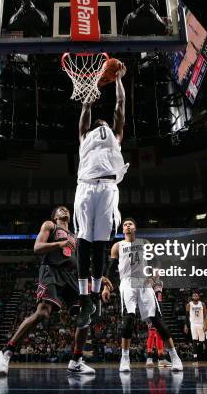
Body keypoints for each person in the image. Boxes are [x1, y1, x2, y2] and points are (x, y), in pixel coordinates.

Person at [0, 206, 109, 374]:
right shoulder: (50, 225)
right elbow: (37, 247)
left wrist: (96, 277)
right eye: (60, 210)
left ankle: (76, 360)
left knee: (86, 312)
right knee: (43, 313)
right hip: (51, 270)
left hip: (70, 276)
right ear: (55, 216)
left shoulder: (76, 236)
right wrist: (59, 243)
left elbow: (78, 264)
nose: (65, 210)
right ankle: (6, 351)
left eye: (67, 209)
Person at [74, 61, 128, 329]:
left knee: (99, 246)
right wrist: (92, 83)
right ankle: (85, 299)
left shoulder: (115, 137)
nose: (102, 123)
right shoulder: (85, 136)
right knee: (83, 242)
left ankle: (94, 295)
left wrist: (117, 79)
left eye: (104, 122)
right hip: (85, 186)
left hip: (107, 188)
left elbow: (120, 105)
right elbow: (86, 107)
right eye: (99, 122)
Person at [103, 218, 183, 372]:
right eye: (125, 225)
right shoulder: (117, 246)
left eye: (130, 224)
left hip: (144, 282)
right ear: (123, 229)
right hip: (126, 281)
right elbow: (111, 268)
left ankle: (174, 357)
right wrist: (106, 287)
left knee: (157, 320)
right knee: (128, 318)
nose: (127, 226)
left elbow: (156, 261)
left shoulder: (145, 242)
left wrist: (155, 274)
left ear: (135, 227)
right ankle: (125, 358)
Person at [184, 292, 207, 364]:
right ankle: (195, 358)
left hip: (201, 324)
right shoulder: (189, 305)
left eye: (196, 295)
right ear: (192, 297)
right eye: (194, 295)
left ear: (199, 296)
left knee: (205, 341)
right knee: (194, 340)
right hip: (193, 324)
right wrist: (185, 325)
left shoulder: (202, 304)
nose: (195, 296)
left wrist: (205, 324)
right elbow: (187, 316)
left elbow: (205, 315)